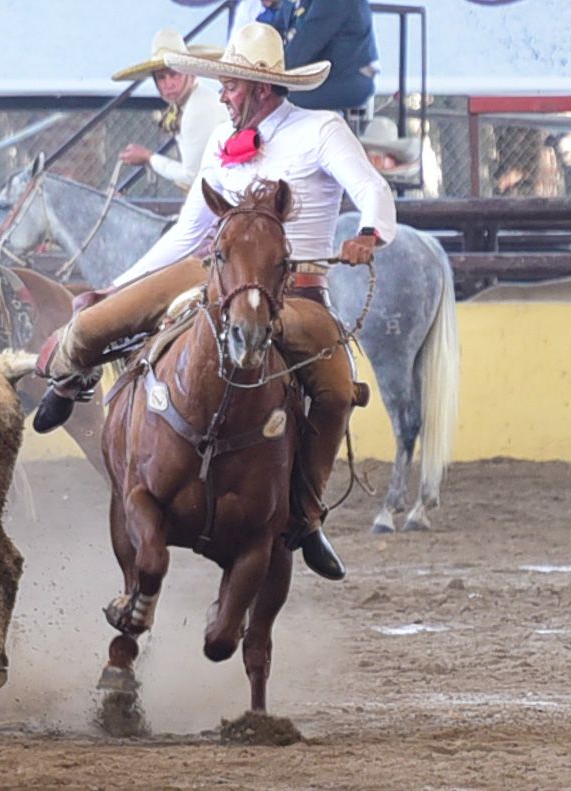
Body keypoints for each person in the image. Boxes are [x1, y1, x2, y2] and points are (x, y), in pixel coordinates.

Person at [33, 23, 397, 582]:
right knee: (95, 319)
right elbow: (187, 233)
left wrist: (369, 233)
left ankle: (306, 511)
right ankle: (69, 376)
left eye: (228, 85)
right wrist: (120, 285)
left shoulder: (320, 130)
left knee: (338, 390)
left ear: (260, 87)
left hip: (293, 294)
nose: (222, 95)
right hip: (211, 279)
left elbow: (373, 188)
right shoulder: (219, 144)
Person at [113, 29, 228, 192]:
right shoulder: (187, 104)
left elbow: (192, 176)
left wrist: (149, 157)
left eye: (174, 74)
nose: (169, 84)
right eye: (161, 77)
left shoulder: (198, 108)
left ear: (191, 74)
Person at [283, 0, 379, 113]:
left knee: (273, 94)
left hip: (346, 78)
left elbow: (303, 48)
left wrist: (271, 71)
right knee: (269, 90)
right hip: (332, 73)